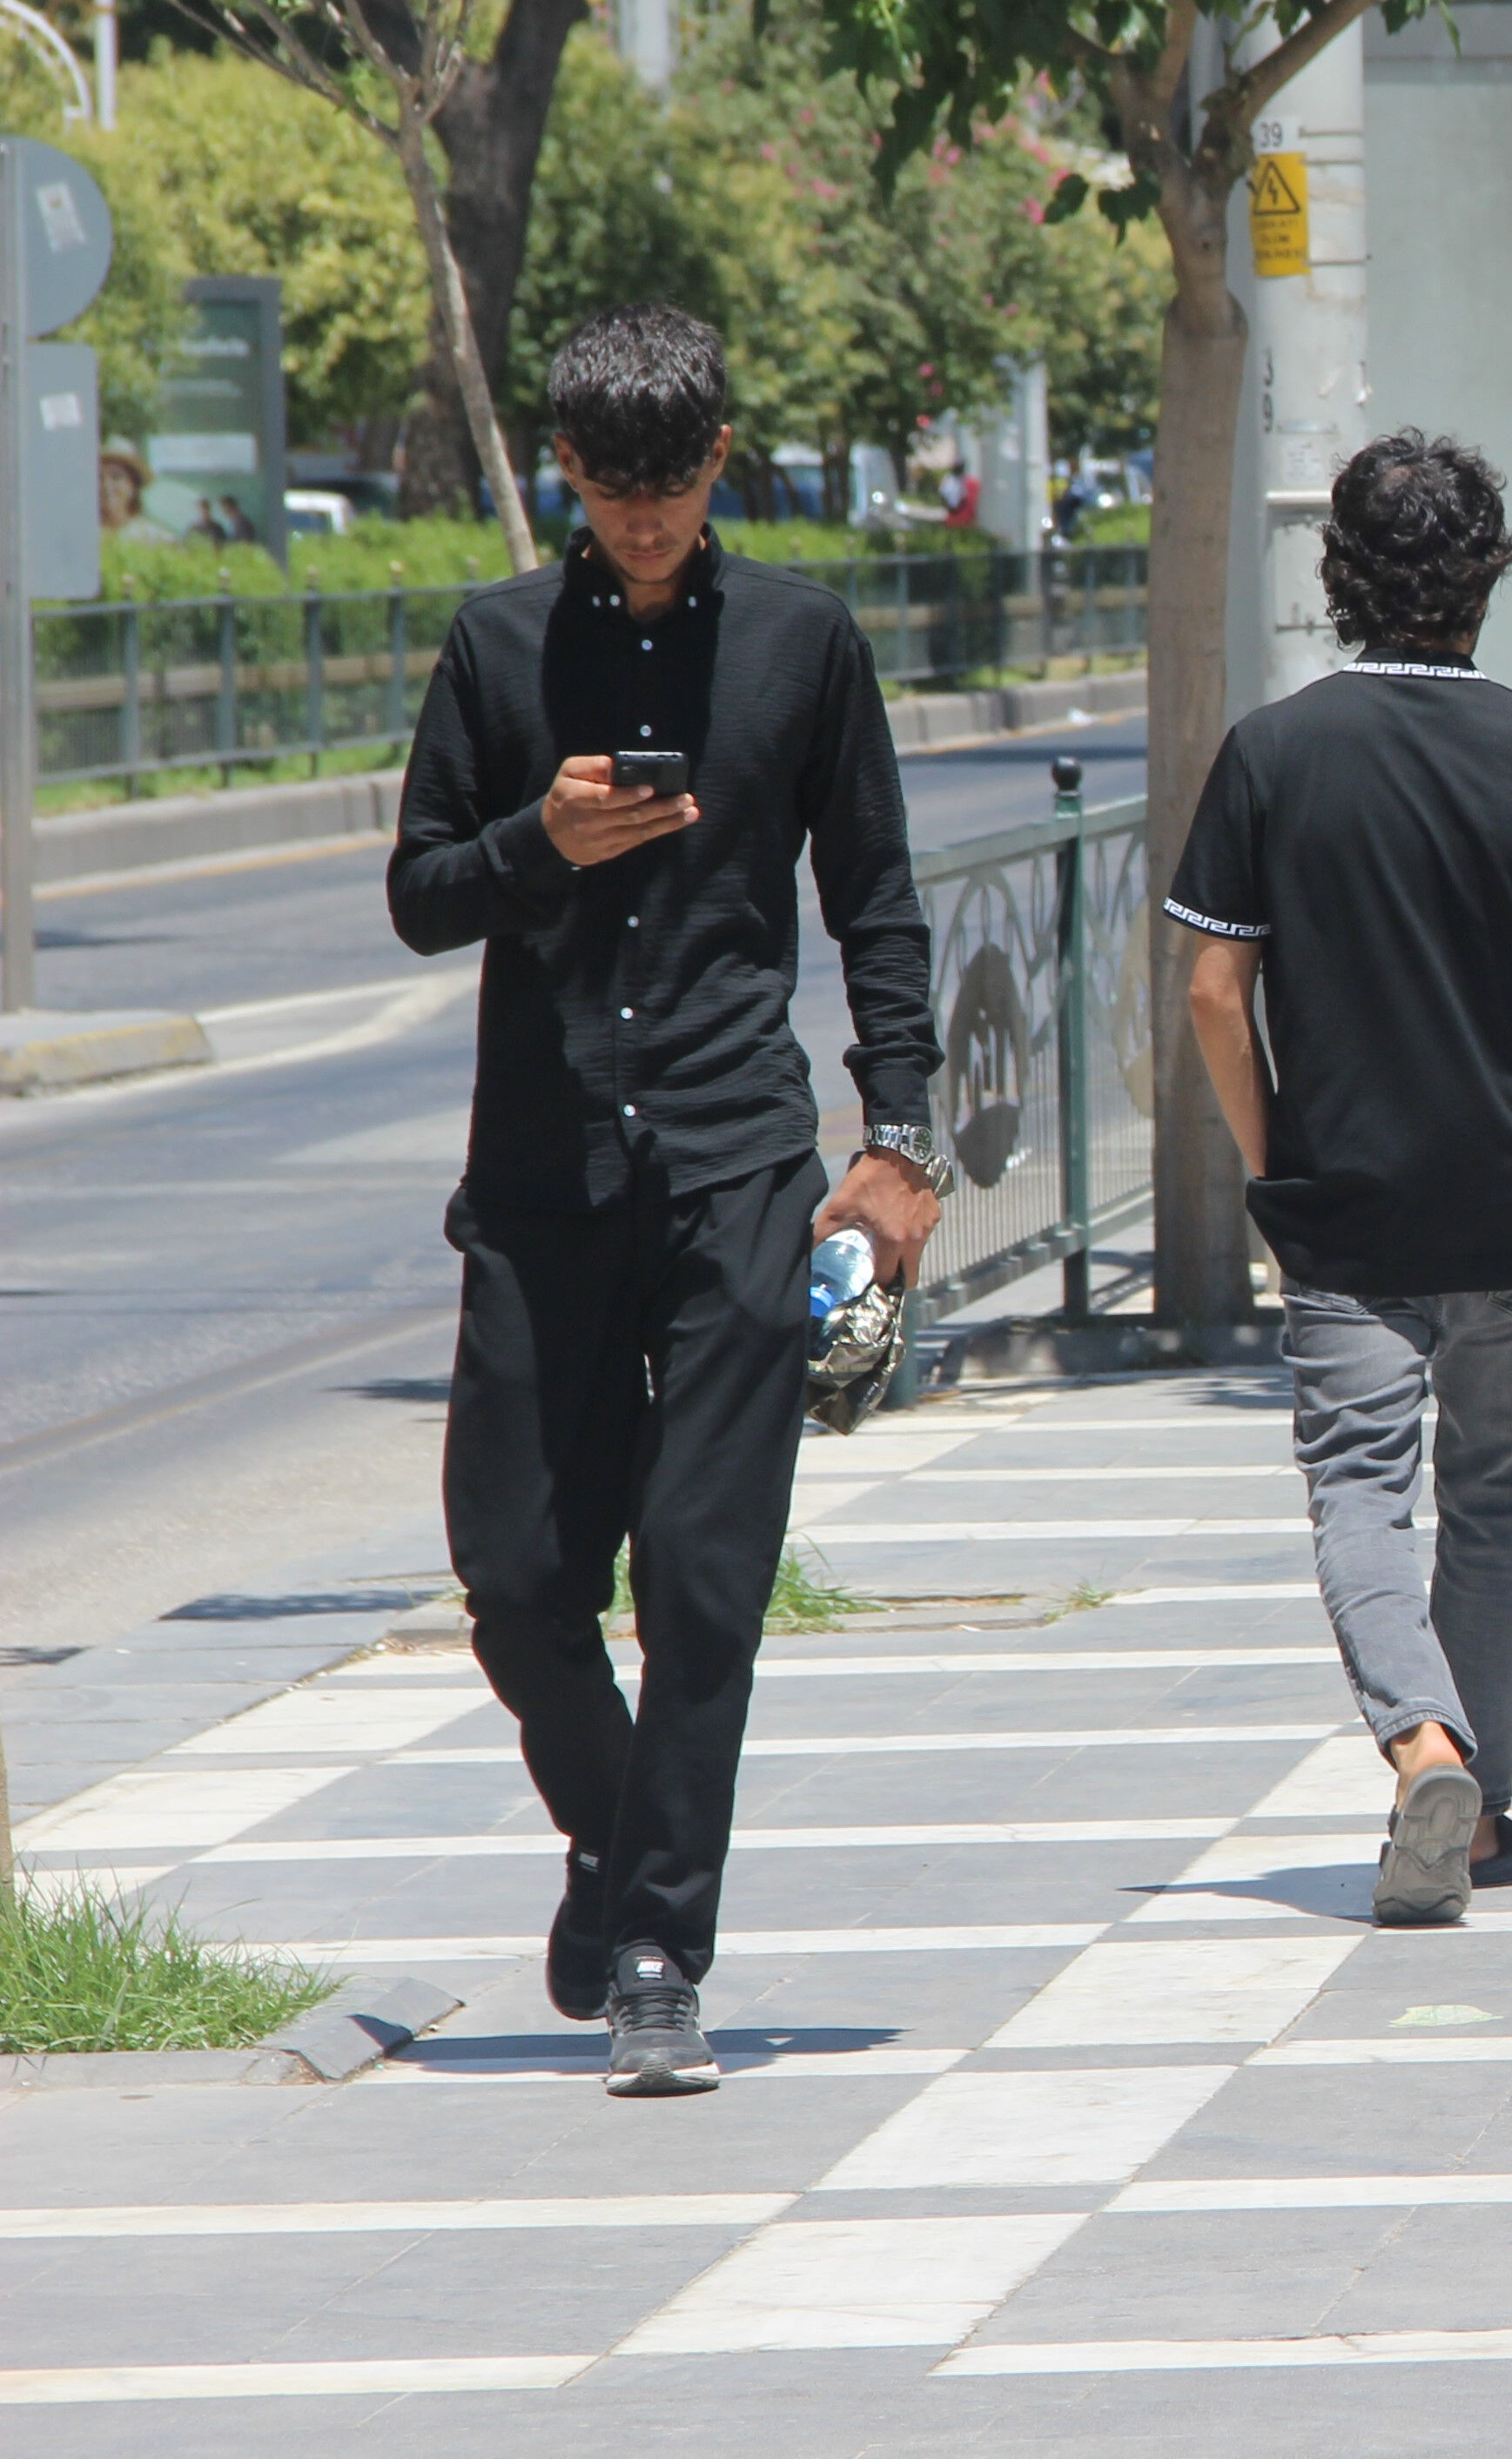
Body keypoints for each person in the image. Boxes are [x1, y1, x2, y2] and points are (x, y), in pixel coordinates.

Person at [386, 302, 944, 2096]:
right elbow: (417, 895)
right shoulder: (493, 650)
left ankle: (654, 1950)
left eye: (674, 485)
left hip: (735, 1172)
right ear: (567, 469)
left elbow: (878, 899)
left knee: (704, 1582)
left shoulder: (800, 642)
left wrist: (903, 1141)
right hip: (544, 1183)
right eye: (612, 488)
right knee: (522, 1581)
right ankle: (616, 1839)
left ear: (720, 459)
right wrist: (534, 844)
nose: (643, 521)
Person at [1166, 431, 1512, 1927]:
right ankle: (1479, 1810)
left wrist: (1275, 1165)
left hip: (1344, 1202)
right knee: (1494, 1501)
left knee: (1356, 1489)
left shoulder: (1274, 754)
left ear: (1338, 578)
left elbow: (1216, 995)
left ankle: (1419, 1743)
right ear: (1486, 577)